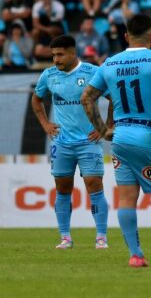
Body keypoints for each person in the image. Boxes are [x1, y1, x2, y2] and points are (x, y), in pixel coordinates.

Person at [81, 13, 151, 267]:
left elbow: (86, 97)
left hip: (120, 136)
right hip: (150, 135)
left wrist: (102, 129)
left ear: (125, 36)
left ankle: (135, 255)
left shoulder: (109, 63)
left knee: (127, 197)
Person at [31, 34, 111, 249]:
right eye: (53, 55)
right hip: (61, 142)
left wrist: (104, 128)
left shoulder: (93, 73)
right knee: (63, 188)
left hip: (88, 142)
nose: (56, 59)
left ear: (73, 52)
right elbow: (36, 100)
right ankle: (65, 237)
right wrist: (46, 124)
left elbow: (113, 98)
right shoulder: (49, 76)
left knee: (94, 185)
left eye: (60, 54)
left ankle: (101, 236)